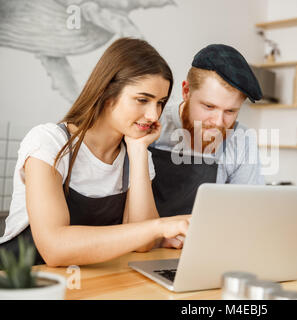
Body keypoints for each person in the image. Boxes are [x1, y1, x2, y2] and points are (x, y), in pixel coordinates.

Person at [0, 38, 190, 267]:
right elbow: (55, 249)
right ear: (107, 92)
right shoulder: (48, 142)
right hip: (24, 282)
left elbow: (143, 244)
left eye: (160, 102)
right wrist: (160, 227)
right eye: (142, 100)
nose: (153, 115)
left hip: (90, 282)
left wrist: (139, 151)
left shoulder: (136, 155)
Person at [149, 44, 264, 248]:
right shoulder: (153, 124)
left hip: (205, 248)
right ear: (186, 91)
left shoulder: (242, 139)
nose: (218, 122)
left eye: (230, 111)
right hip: (144, 249)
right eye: (209, 107)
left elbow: (246, 215)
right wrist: (158, 237)